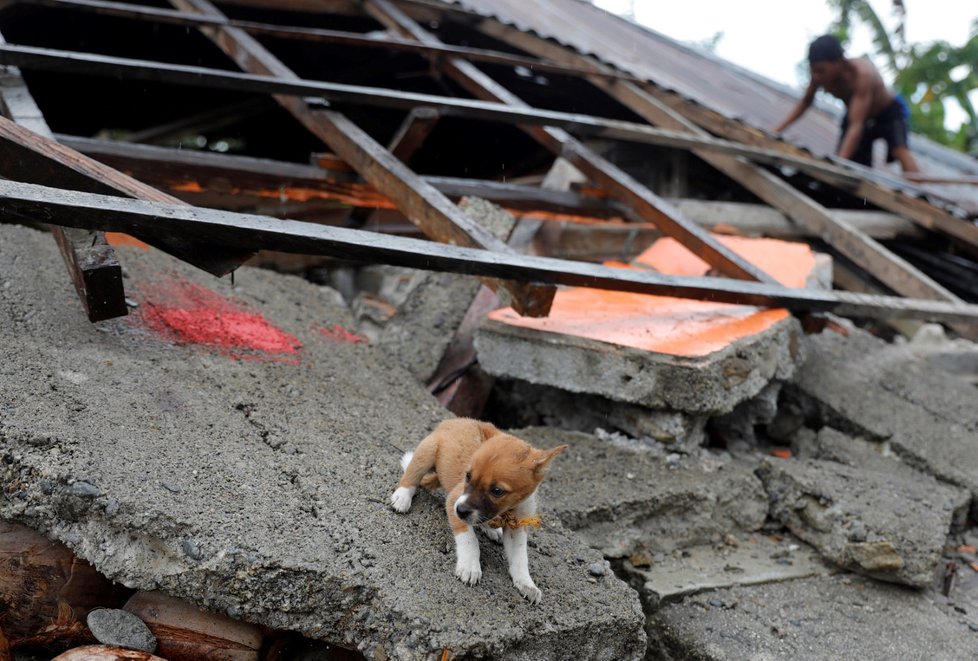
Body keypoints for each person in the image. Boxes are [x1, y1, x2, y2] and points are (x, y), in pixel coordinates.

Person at [775, 34, 920, 174]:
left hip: (887, 112)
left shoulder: (863, 74)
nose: (817, 76)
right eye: (814, 71)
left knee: (900, 151)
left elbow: (856, 125)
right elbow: (805, 102)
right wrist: (775, 131)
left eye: (821, 70)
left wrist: (838, 163)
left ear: (838, 62)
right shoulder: (818, 76)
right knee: (852, 166)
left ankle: (921, 194)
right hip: (856, 117)